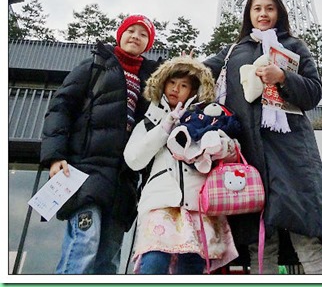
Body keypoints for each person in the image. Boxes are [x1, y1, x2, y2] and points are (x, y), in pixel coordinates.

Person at [204, 0, 322, 275]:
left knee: (306, 235)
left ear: (279, 13)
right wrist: (181, 67)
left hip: (291, 153)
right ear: (248, 14)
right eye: (257, 9)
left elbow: (313, 91)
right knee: (260, 243)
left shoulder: (294, 45)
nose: (263, 14)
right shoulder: (233, 50)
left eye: (269, 8)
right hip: (248, 154)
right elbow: (201, 74)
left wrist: (283, 77)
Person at [40, 14, 161, 274]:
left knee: (109, 257)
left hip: (124, 179)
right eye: (131, 30)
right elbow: (60, 108)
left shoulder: (152, 80)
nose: (135, 37)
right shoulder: (95, 65)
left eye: (143, 34)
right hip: (85, 169)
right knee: (84, 243)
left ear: (148, 43)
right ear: (120, 34)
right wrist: (54, 156)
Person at [123, 55, 240, 274]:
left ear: (194, 91)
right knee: (154, 262)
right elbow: (133, 159)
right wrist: (165, 127)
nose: (176, 89)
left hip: (199, 204)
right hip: (161, 202)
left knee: (192, 267)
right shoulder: (150, 120)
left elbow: (232, 152)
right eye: (172, 83)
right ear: (163, 84)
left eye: (184, 85)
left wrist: (217, 145)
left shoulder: (209, 117)